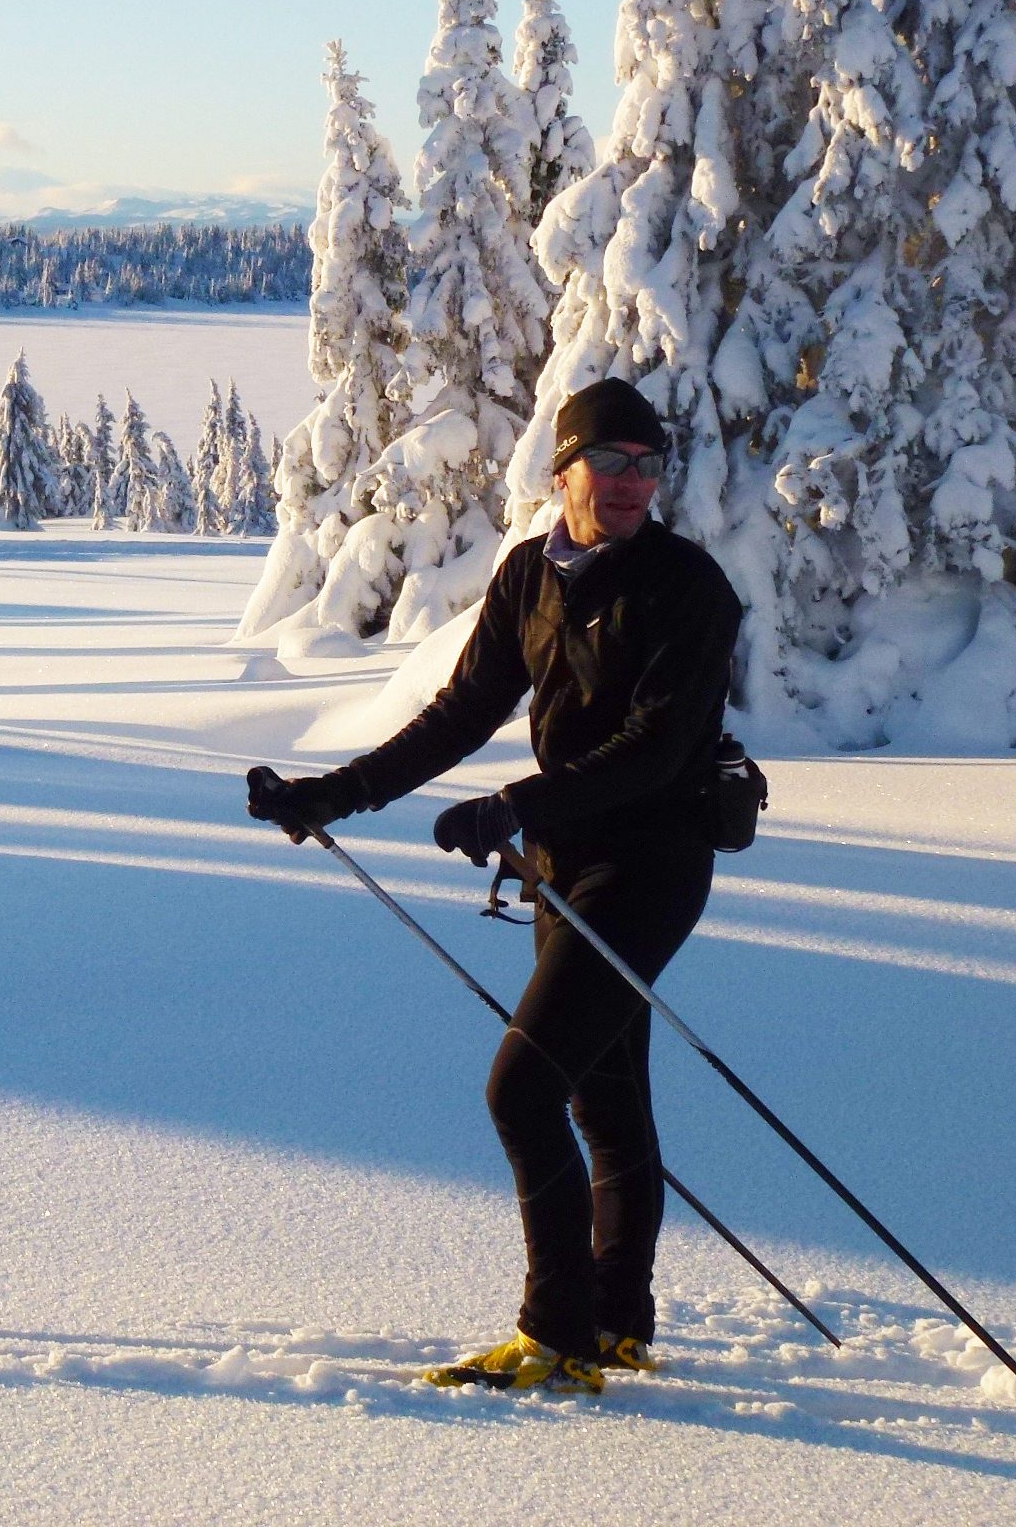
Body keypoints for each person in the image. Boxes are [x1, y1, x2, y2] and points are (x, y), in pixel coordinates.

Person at [246, 376, 742, 1396]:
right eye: (608, 463)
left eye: (647, 467)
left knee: (521, 1088)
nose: (630, 485)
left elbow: (655, 752)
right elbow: (460, 710)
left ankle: (554, 1336)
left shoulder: (686, 589)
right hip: (561, 864)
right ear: (561, 472)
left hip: (649, 863)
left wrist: (517, 804)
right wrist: (332, 796)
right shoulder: (528, 577)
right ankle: (617, 1323)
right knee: (602, 1098)